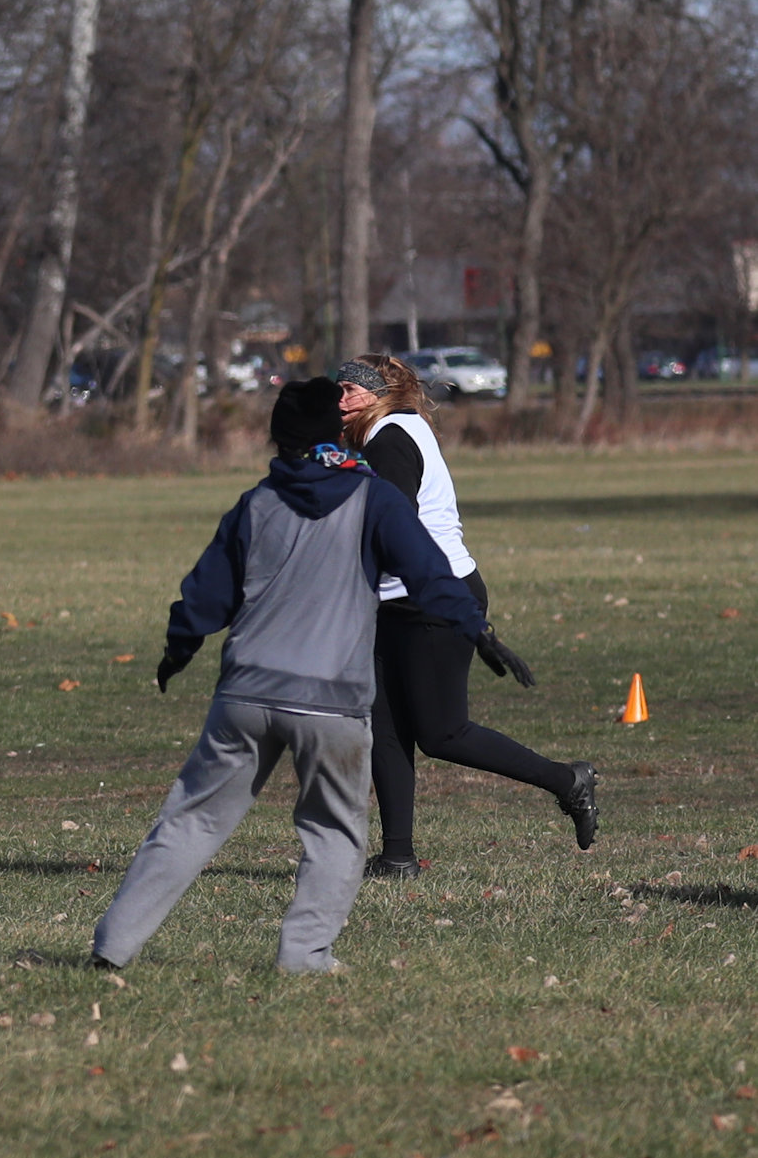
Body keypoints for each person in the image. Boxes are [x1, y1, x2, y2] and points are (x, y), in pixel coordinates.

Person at [90, 378, 535, 973]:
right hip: (331, 701)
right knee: (332, 833)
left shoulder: (256, 503)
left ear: (276, 436)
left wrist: (179, 648)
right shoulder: (373, 498)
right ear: (337, 430)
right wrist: (479, 632)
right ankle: (305, 957)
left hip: (245, 692)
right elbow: (429, 572)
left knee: (191, 821)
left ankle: (112, 948)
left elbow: (205, 595)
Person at [336, 353, 597, 879]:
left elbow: (394, 528)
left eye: (348, 391)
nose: (338, 402)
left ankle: (568, 780)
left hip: (434, 598)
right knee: (385, 728)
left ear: (378, 394)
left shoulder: (390, 438)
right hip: (395, 601)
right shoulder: (399, 429)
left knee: (442, 734)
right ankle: (397, 857)